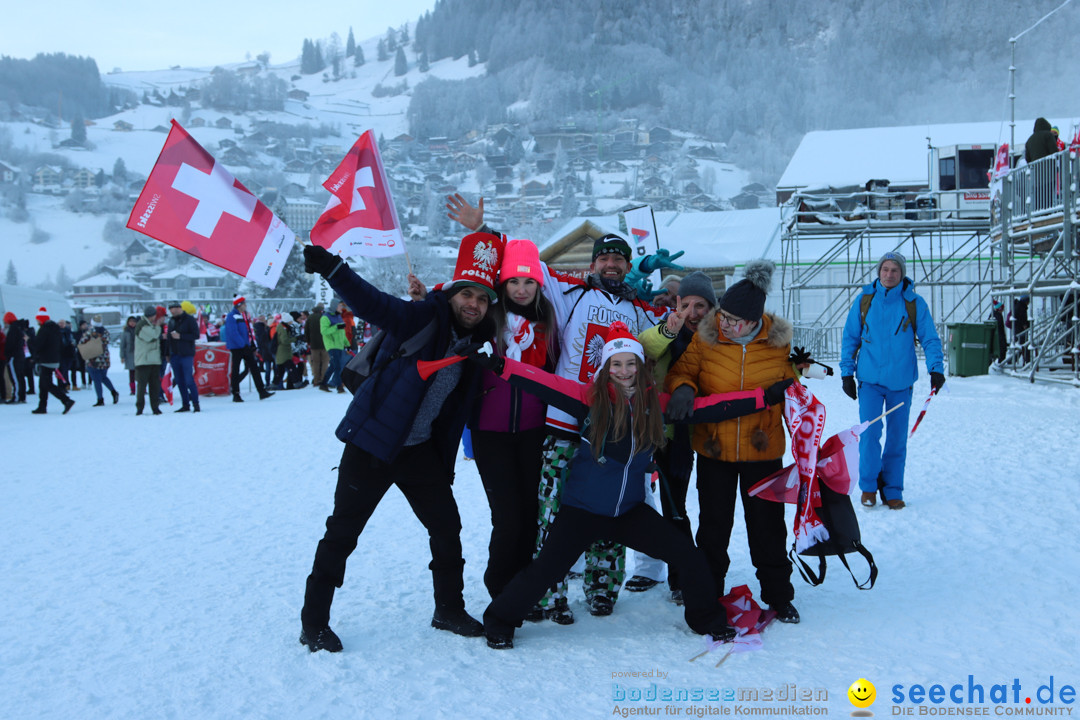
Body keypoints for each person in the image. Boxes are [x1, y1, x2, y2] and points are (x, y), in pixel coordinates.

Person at [477, 322, 792, 649]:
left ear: (641, 366)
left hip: (628, 512)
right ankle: (499, 621)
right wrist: (498, 365)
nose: (624, 370)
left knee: (688, 556)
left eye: (631, 363)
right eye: (616, 363)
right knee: (544, 571)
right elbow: (542, 382)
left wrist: (764, 397)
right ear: (607, 367)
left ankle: (706, 619)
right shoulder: (589, 396)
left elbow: (710, 407)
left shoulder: (654, 403)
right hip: (582, 510)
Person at [446, 193, 674, 621]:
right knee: (549, 510)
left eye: (618, 260)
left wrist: (668, 318)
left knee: (614, 509)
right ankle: (547, 593)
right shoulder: (569, 292)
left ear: (626, 266)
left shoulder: (638, 309)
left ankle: (603, 587)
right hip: (564, 421)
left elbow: (652, 345)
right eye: (604, 258)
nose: (611, 265)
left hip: (614, 427)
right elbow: (525, 264)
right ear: (592, 265)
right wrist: (483, 231)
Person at [298, 233, 502, 653]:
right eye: (467, 295)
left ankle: (448, 609)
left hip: (418, 451)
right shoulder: (422, 317)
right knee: (342, 534)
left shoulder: (477, 344)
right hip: (373, 444)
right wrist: (332, 267)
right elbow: (372, 303)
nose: (474, 305)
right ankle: (313, 623)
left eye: (482, 300)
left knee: (447, 529)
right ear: (451, 296)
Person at [666, 259, 801, 624]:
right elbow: (682, 370)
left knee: (768, 528)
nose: (724, 324)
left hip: (763, 449)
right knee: (713, 528)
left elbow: (795, 378)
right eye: (722, 316)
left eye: (733, 321)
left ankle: (778, 595)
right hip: (715, 448)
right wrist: (682, 388)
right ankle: (708, 595)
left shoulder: (778, 343)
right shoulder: (707, 336)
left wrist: (804, 371)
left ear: (755, 321)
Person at [469, 239, 559, 603]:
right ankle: (500, 586)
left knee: (530, 512)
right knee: (507, 516)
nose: (521, 290)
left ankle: (522, 588)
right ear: (502, 285)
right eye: (513, 282)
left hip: (534, 431)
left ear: (539, 285)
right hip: (490, 431)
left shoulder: (548, 321)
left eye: (529, 283)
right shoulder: (488, 317)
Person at [840, 251, 944, 510]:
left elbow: (930, 338)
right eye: (885, 269)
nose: (889, 274)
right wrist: (846, 373)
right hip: (870, 381)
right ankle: (869, 487)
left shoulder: (914, 303)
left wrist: (936, 369)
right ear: (879, 272)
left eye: (894, 270)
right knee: (870, 434)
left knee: (897, 438)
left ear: (902, 274)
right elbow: (850, 337)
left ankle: (893, 488)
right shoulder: (865, 300)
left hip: (900, 383)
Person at [637, 270, 717, 604]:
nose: (695, 313)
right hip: (671, 437)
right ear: (678, 304)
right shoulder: (667, 334)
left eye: (702, 306)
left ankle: (708, 569)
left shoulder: (720, 338)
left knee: (713, 511)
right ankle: (680, 576)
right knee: (675, 508)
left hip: (712, 436)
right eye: (688, 304)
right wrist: (670, 328)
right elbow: (644, 344)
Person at [223, 296, 273, 402]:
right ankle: (236, 394)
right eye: (244, 303)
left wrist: (251, 344)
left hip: (245, 346)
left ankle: (262, 391)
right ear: (239, 305)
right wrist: (243, 344)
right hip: (237, 347)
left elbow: (248, 331)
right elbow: (233, 333)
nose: (246, 305)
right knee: (236, 370)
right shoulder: (232, 316)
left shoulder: (243, 315)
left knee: (254, 368)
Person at [29, 307, 75, 415]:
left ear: (41, 319)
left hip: (46, 360)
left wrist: (29, 340)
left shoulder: (44, 330)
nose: (37, 321)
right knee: (43, 384)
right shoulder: (55, 329)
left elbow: (38, 345)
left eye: (38, 319)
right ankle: (42, 406)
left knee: (47, 384)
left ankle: (66, 400)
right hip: (54, 359)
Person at [167, 301, 201, 413]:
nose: (173, 311)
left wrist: (181, 336)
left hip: (186, 354)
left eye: (176, 309)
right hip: (175, 354)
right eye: (171, 309)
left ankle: (196, 404)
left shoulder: (189, 320)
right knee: (180, 381)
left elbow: (196, 335)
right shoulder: (171, 321)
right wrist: (168, 353)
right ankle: (185, 404)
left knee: (188, 380)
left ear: (180, 309)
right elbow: (169, 339)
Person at [134, 306, 167, 416]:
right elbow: (152, 336)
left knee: (155, 386)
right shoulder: (142, 325)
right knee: (142, 386)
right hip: (143, 361)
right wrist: (158, 326)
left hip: (154, 360)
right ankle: (140, 408)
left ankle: (155, 407)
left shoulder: (149, 325)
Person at [82, 315, 120, 407]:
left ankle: (100, 399)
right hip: (104, 358)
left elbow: (82, 342)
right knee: (103, 377)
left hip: (93, 357)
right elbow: (105, 342)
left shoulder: (90, 332)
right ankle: (114, 392)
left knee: (96, 379)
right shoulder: (106, 331)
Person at [319, 303, 348, 393]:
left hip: (339, 345)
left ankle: (323, 384)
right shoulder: (325, 317)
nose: (342, 308)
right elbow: (324, 331)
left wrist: (347, 343)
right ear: (335, 306)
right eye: (340, 306)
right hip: (331, 345)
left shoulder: (338, 317)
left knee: (333, 366)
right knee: (338, 366)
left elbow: (342, 333)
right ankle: (339, 387)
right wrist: (336, 327)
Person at [4, 311, 29, 404]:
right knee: (20, 376)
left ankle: (17, 397)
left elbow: (10, 344)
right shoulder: (20, 328)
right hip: (20, 355)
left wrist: (7, 353)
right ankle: (22, 396)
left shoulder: (13, 329)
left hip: (14, 356)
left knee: (15, 377)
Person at [307, 303, 329, 388]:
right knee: (325, 362)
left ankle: (316, 380)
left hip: (314, 344)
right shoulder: (325, 317)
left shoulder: (310, 317)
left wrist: (309, 341)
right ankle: (323, 379)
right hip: (325, 343)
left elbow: (306, 330)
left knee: (315, 363)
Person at [120, 316, 138, 396]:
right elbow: (122, 345)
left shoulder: (139, 330)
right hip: (129, 355)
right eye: (130, 321)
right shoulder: (125, 332)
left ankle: (143, 389)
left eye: (133, 321)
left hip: (139, 354)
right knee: (131, 373)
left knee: (141, 372)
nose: (132, 323)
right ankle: (132, 389)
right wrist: (122, 356)